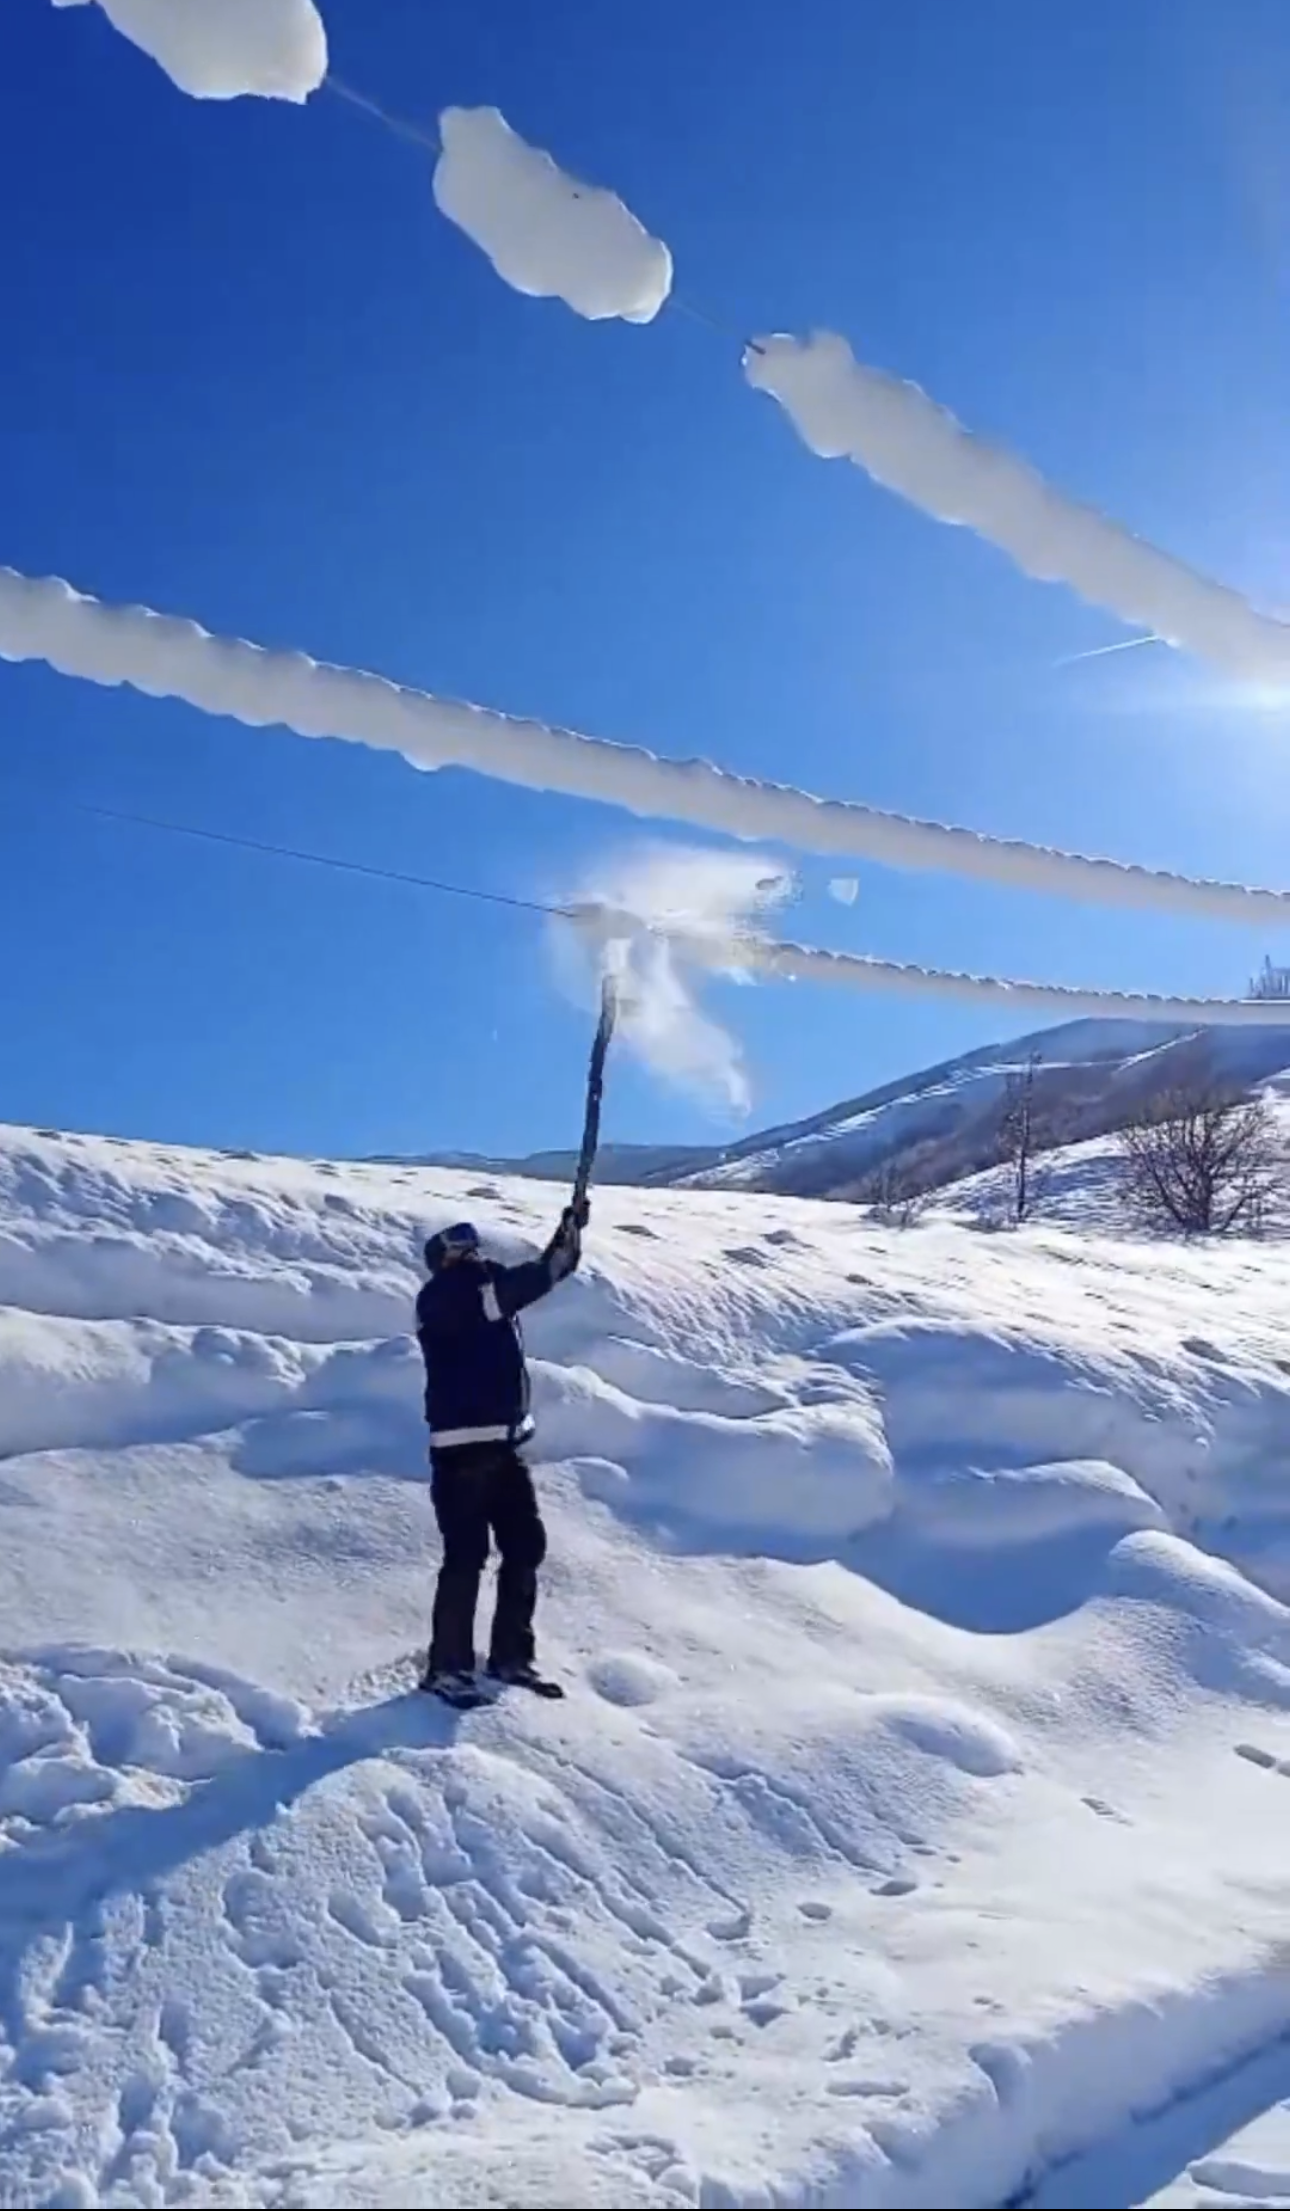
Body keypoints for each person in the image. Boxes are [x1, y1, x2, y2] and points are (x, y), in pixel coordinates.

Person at [415, 1204, 587, 1704]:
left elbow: (541, 1276)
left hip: (504, 1447)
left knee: (525, 1548)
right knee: (466, 1557)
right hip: (461, 1452)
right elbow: (528, 1283)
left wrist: (567, 1234)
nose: (472, 1252)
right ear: (443, 1260)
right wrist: (558, 1253)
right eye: (459, 1246)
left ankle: (512, 1657)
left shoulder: (486, 1295)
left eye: (473, 1243)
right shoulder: (445, 1297)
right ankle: (446, 1669)